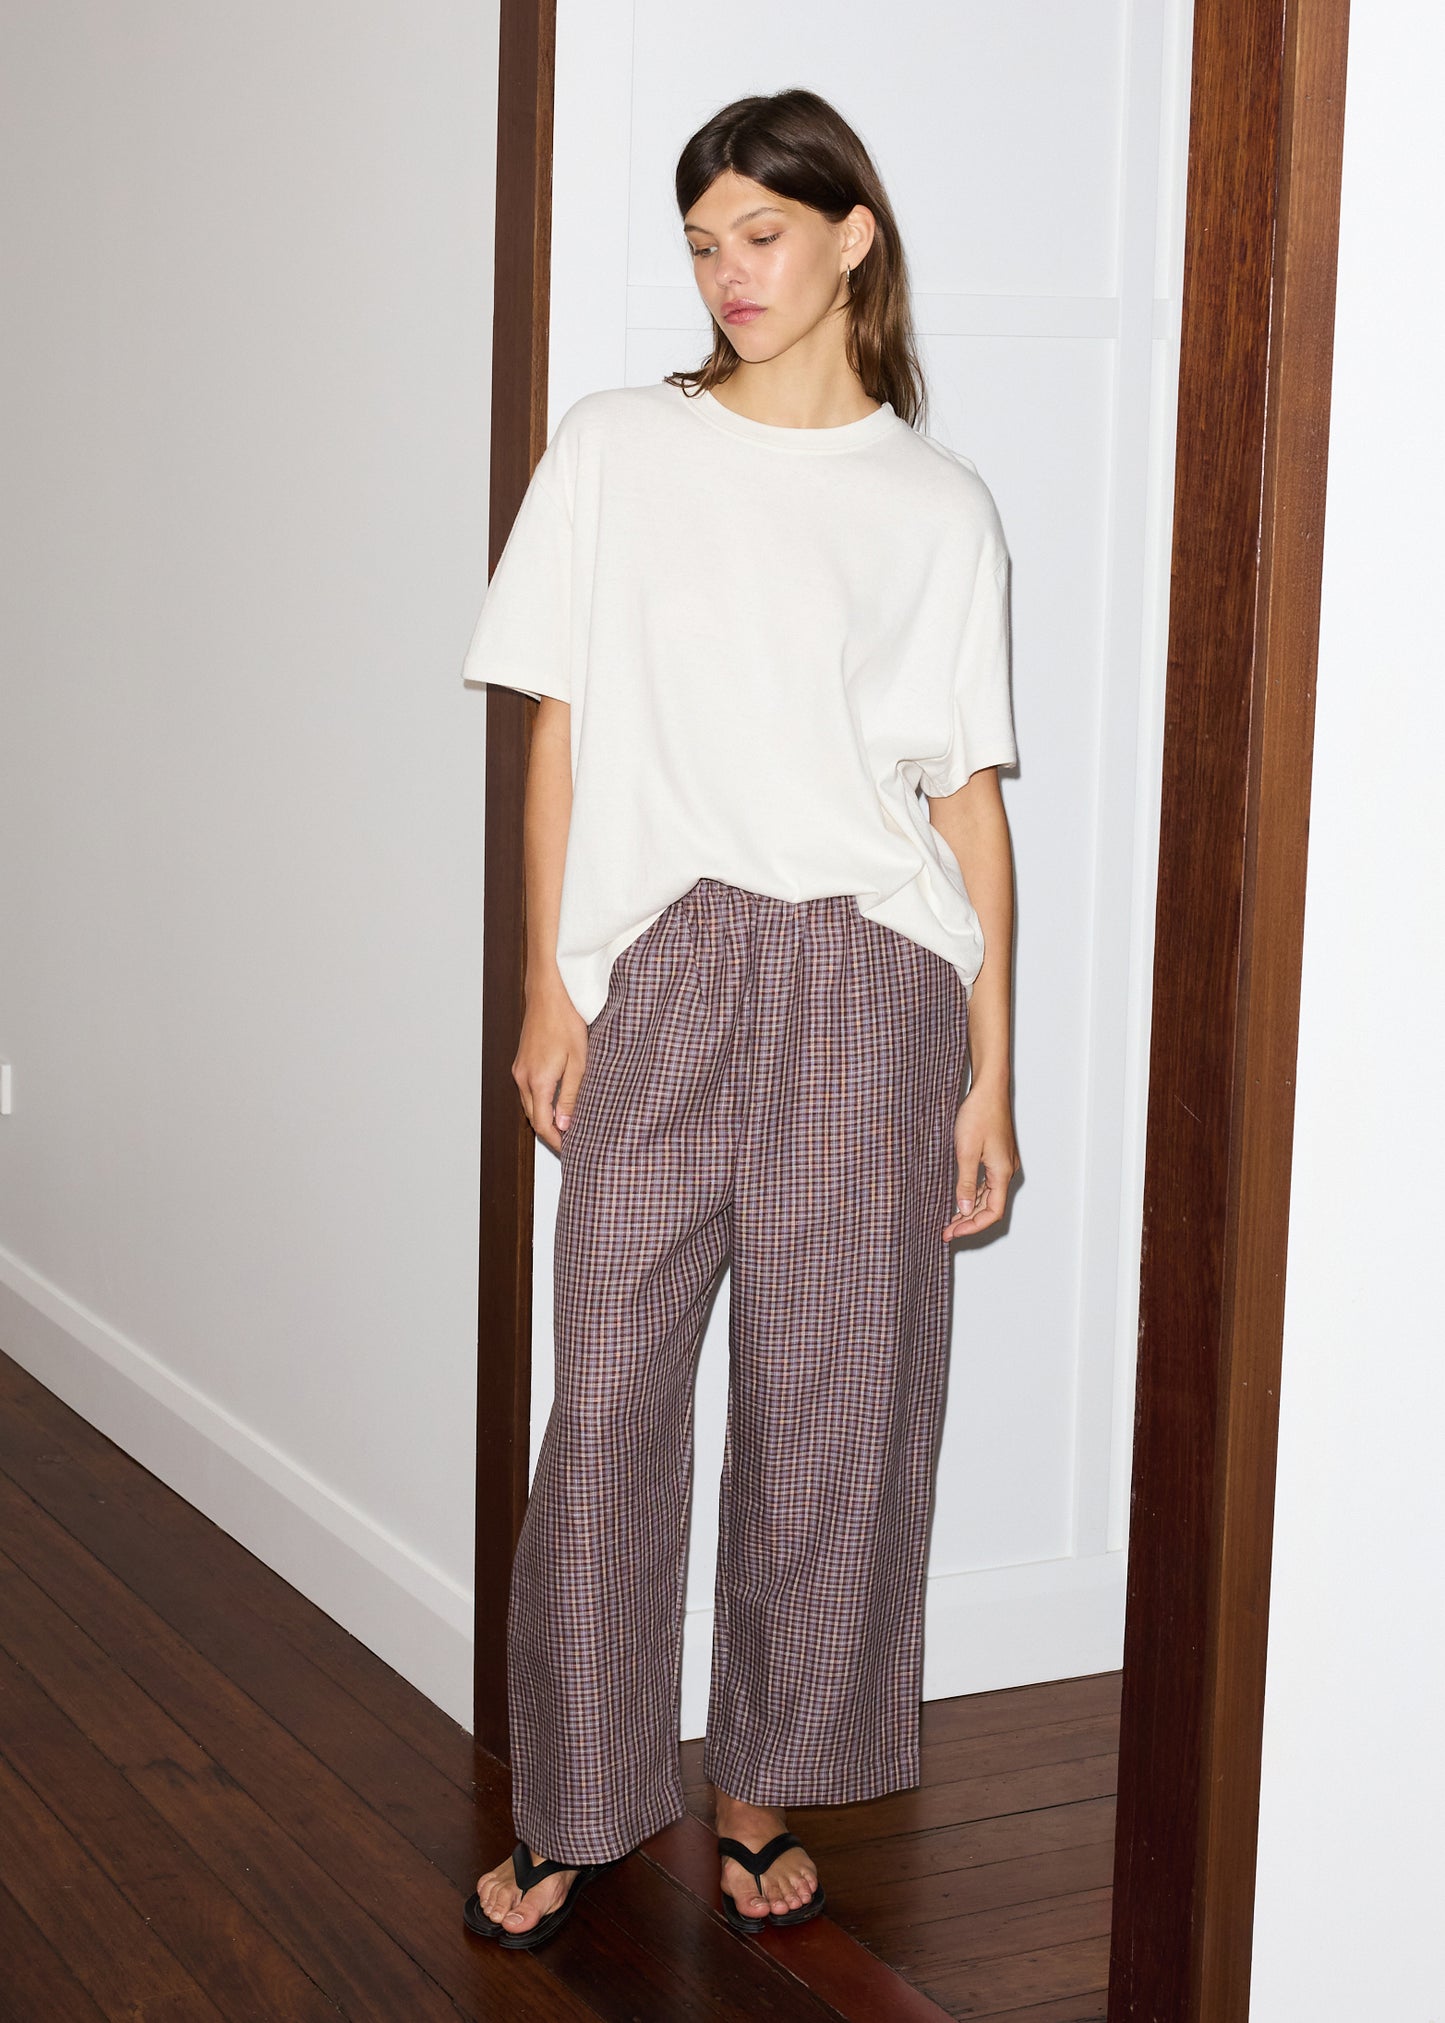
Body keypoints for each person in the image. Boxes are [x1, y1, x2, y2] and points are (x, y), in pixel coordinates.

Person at [461, 87, 1020, 1952]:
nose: (727, 273)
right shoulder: (621, 448)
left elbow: (964, 808)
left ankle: (764, 1786)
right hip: (673, 963)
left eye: (759, 236)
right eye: (701, 242)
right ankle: (581, 1798)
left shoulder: (934, 505)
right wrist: (547, 979)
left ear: (851, 235)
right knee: (607, 1399)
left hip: (873, 985)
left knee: (834, 1408)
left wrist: (989, 1070)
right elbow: (555, 723)